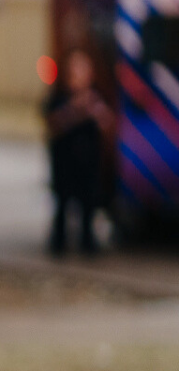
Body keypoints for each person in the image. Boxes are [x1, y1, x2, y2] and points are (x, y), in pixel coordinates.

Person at [45, 47, 112, 255]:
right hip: (65, 163)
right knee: (63, 204)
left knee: (88, 205)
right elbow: (52, 123)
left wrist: (95, 111)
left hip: (87, 163)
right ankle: (59, 242)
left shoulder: (95, 98)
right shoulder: (59, 98)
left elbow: (107, 125)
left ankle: (87, 241)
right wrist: (74, 110)